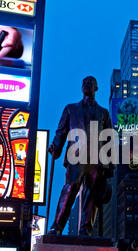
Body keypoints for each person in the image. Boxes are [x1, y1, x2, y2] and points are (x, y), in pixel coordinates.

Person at [47, 76, 115, 236]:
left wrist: (110, 164)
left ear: (96, 88)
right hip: (76, 156)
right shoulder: (71, 109)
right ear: (81, 87)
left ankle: (86, 228)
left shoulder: (103, 113)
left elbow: (109, 139)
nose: (87, 85)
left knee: (92, 193)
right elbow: (61, 132)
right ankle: (57, 226)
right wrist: (56, 147)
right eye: (84, 82)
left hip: (96, 159)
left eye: (90, 83)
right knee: (70, 188)